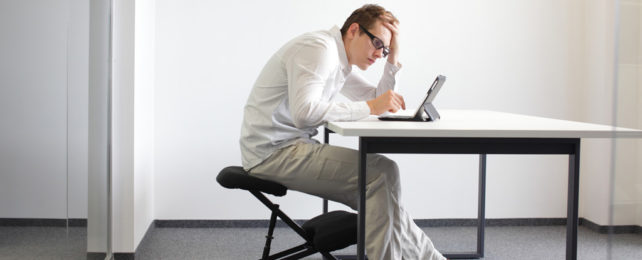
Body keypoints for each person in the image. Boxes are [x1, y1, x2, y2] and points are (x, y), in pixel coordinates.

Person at [240, 4, 446, 260]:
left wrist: (393, 59)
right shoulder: (319, 50)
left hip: (288, 146)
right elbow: (304, 112)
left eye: (384, 49)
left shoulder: (338, 58)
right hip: (273, 153)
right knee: (382, 173)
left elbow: (377, 98)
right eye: (377, 44)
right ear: (354, 30)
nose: (378, 53)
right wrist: (370, 106)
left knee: (384, 195)